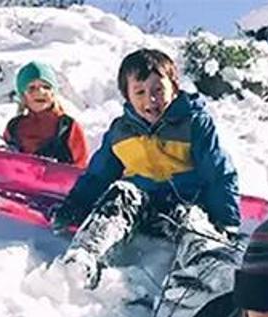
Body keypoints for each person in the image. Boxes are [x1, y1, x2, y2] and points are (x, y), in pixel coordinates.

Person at [50, 48, 241, 292]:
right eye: (139, 92)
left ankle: (209, 263)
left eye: (158, 90)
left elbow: (218, 172)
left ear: (174, 87)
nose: (150, 99)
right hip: (139, 206)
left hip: (185, 202)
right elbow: (98, 175)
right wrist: (74, 206)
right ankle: (86, 254)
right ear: (127, 97)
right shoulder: (121, 131)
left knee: (192, 217)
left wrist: (226, 220)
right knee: (119, 192)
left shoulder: (194, 123)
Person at [0, 61, 89, 168]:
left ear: (53, 93)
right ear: (23, 95)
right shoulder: (14, 127)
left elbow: (81, 167)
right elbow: (4, 164)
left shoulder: (68, 127)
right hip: (18, 184)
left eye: (46, 87)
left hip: (59, 184)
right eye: (32, 88)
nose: (40, 92)